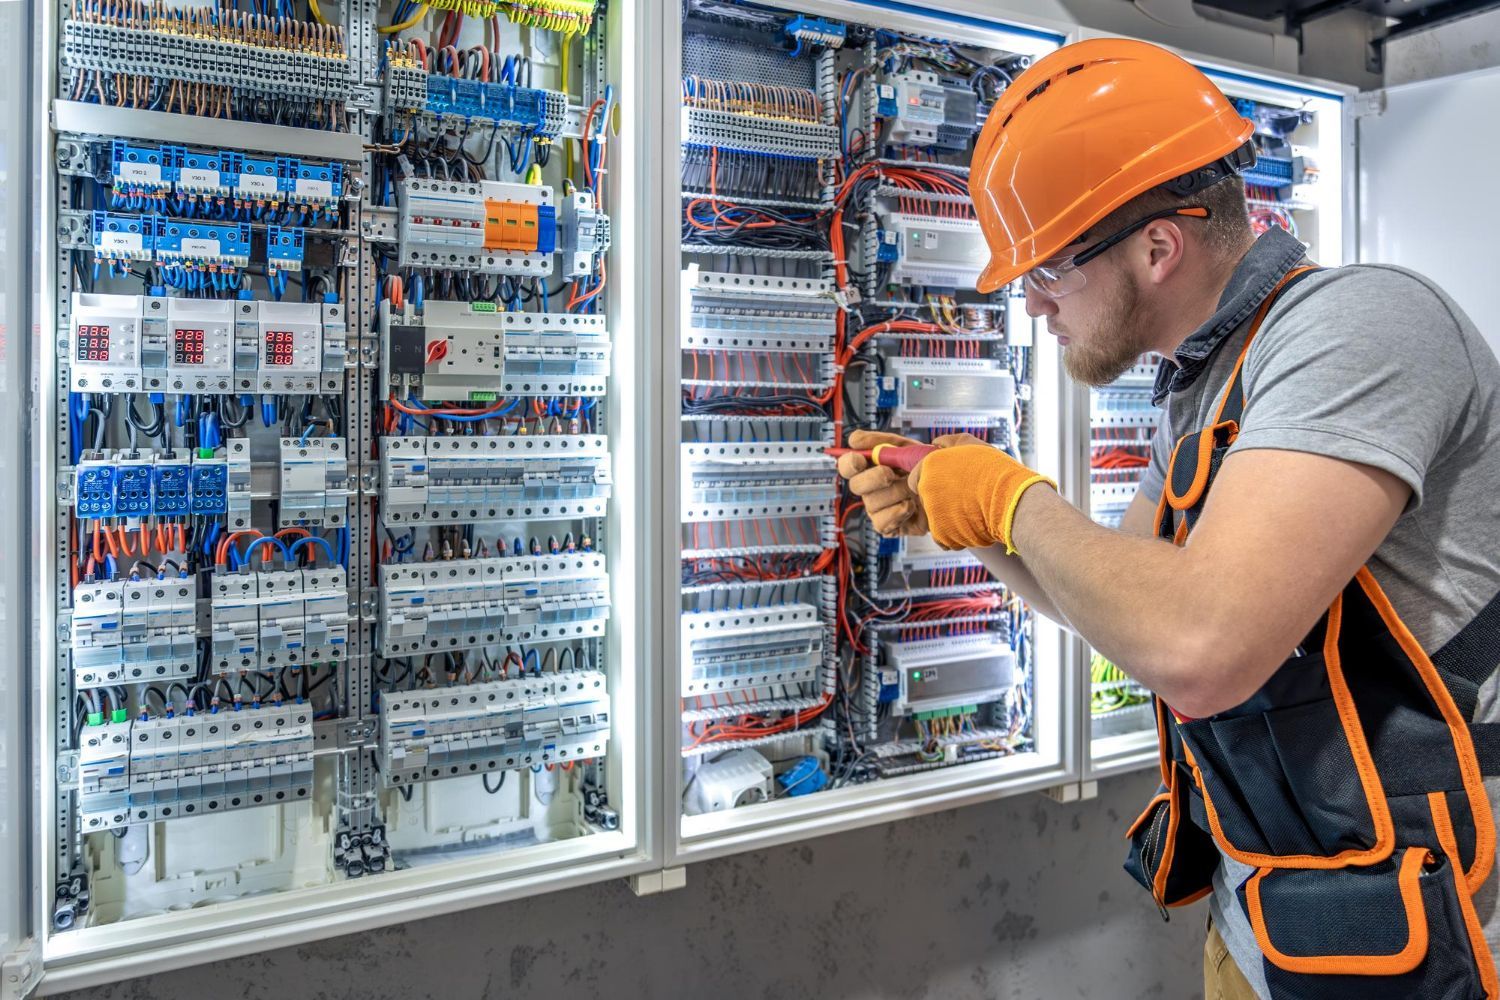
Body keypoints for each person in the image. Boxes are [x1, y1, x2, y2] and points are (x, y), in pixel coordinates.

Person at [837, 37, 1500, 1000]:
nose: (1033, 306)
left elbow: (1199, 643)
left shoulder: (1360, 328)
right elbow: (1120, 596)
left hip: (1441, 933)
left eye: (1051, 272)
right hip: (1276, 914)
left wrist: (1013, 501)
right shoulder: (1205, 385)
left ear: (1158, 244)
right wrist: (967, 519)